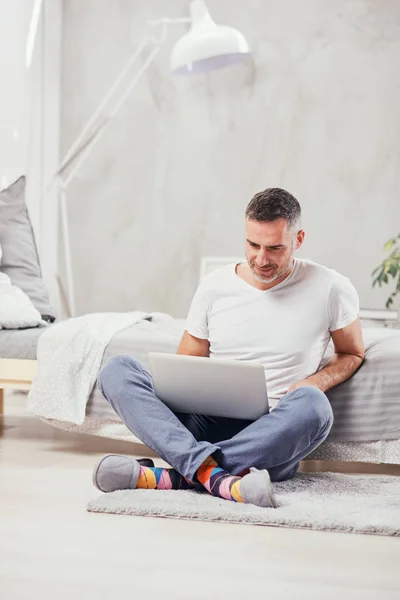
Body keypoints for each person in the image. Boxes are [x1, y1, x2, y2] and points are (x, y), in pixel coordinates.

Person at [93, 187, 365, 508]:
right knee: (117, 370)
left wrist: (314, 381)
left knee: (314, 407)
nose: (261, 259)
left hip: (269, 435)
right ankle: (218, 477)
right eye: (253, 244)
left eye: (275, 248)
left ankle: (179, 473)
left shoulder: (331, 287)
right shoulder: (214, 286)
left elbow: (352, 353)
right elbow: (186, 368)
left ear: (298, 239)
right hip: (202, 424)